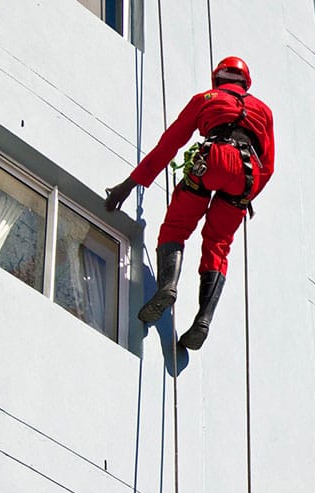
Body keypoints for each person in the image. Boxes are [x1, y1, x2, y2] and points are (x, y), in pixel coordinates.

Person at [104, 56, 275, 349]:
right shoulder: (264, 111)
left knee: (177, 226)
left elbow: (169, 144)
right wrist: (244, 198)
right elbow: (269, 167)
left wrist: (129, 185)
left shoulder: (206, 99)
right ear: (245, 82)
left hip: (214, 158)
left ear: (217, 80)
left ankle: (168, 285)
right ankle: (204, 319)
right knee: (218, 245)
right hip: (247, 176)